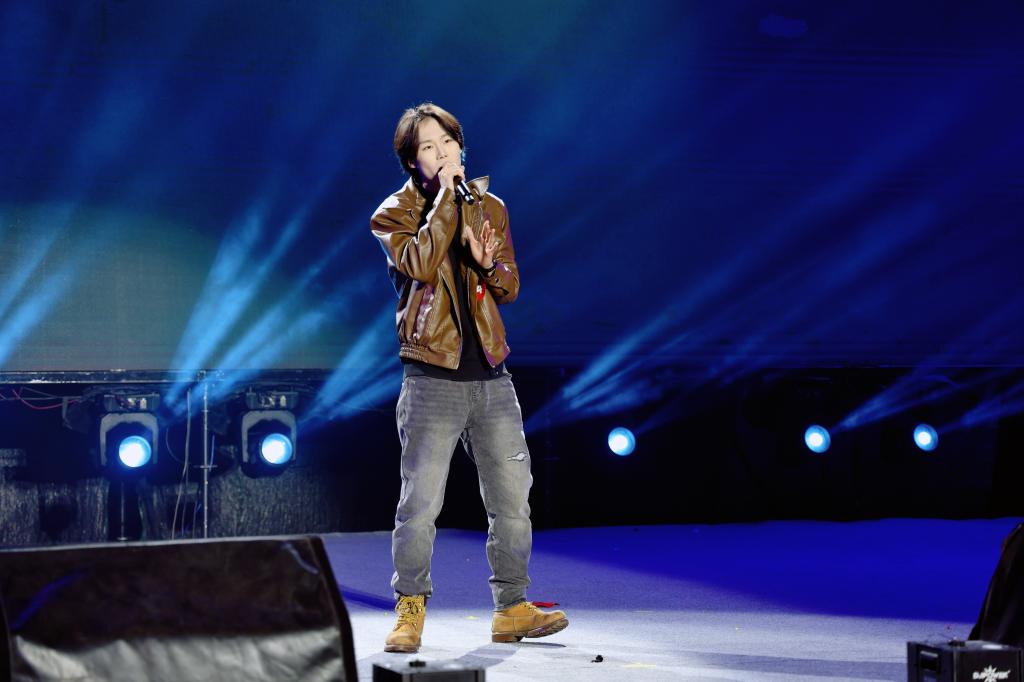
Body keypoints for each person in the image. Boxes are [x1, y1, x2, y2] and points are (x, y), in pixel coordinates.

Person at [370, 103, 568, 653]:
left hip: (491, 374)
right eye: (428, 148)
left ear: (461, 145)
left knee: (513, 498)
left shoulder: (491, 208)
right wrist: (444, 205)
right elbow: (419, 263)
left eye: (448, 143)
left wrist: (486, 263)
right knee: (420, 505)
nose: (442, 154)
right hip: (431, 374)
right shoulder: (394, 213)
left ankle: (512, 607)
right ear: (412, 162)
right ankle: (410, 610)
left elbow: (509, 287)